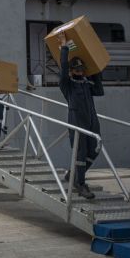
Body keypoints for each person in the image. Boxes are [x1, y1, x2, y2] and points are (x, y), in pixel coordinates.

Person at [57, 32, 104, 199]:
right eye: (76, 69)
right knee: (80, 153)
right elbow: (63, 69)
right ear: (71, 71)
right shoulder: (67, 85)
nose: (80, 71)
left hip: (92, 120)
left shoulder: (86, 83)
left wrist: (95, 67)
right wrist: (64, 45)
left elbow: (99, 90)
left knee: (95, 150)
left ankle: (74, 174)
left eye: (82, 69)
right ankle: (80, 184)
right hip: (77, 120)